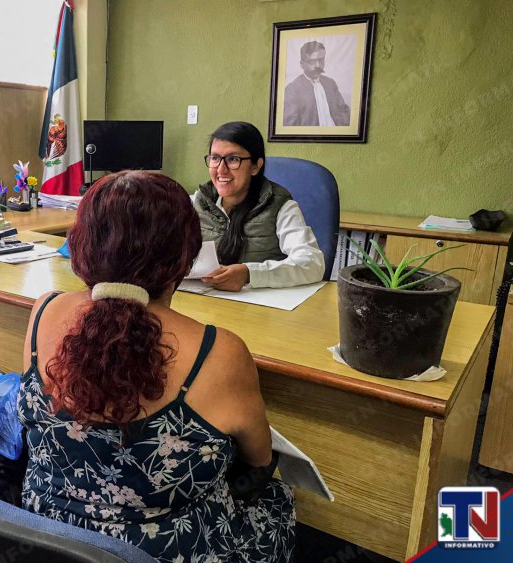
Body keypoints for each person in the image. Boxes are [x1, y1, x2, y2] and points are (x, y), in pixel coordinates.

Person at [18, 171, 295, 562]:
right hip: (165, 552)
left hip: (47, 541)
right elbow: (259, 461)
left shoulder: (43, 310)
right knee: (277, 497)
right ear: (185, 256)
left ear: (81, 245)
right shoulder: (220, 352)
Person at [193, 121, 325, 291]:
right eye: (215, 158)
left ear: (256, 166)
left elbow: (313, 264)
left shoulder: (280, 205)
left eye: (233, 159)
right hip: (204, 302)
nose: (221, 169)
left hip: (261, 308)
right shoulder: (200, 201)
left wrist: (250, 274)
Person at [283, 40, 351, 126]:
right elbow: (290, 125)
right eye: (312, 61)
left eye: (321, 60)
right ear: (302, 64)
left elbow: (343, 111)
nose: (318, 65)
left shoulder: (330, 83)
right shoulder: (292, 90)